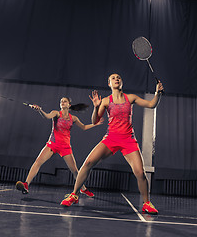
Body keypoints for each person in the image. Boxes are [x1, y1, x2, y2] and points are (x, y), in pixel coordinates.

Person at [60, 73, 164, 214]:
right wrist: (96, 107)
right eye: (113, 78)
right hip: (111, 138)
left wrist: (157, 93)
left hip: (128, 139)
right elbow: (95, 121)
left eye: (119, 77)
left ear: (121, 82)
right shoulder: (105, 101)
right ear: (109, 83)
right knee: (88, 163)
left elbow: (152, 105)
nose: (116, 79)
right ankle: (74, 195)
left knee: (140, 172)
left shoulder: (130, 98)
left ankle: (147, 203)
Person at [16, 97, 103, 197]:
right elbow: (47, 116)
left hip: (65, 147)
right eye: (61, 101)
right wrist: (40, 110)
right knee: (38, 162)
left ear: (69, 105)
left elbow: (83, 127)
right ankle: (26, 184)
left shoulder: (73, 118)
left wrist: (95, 124)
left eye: (64, 101)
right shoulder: (56, 113)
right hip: (52, 144)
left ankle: (83, 189)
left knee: (75, 171)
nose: (62, 102)